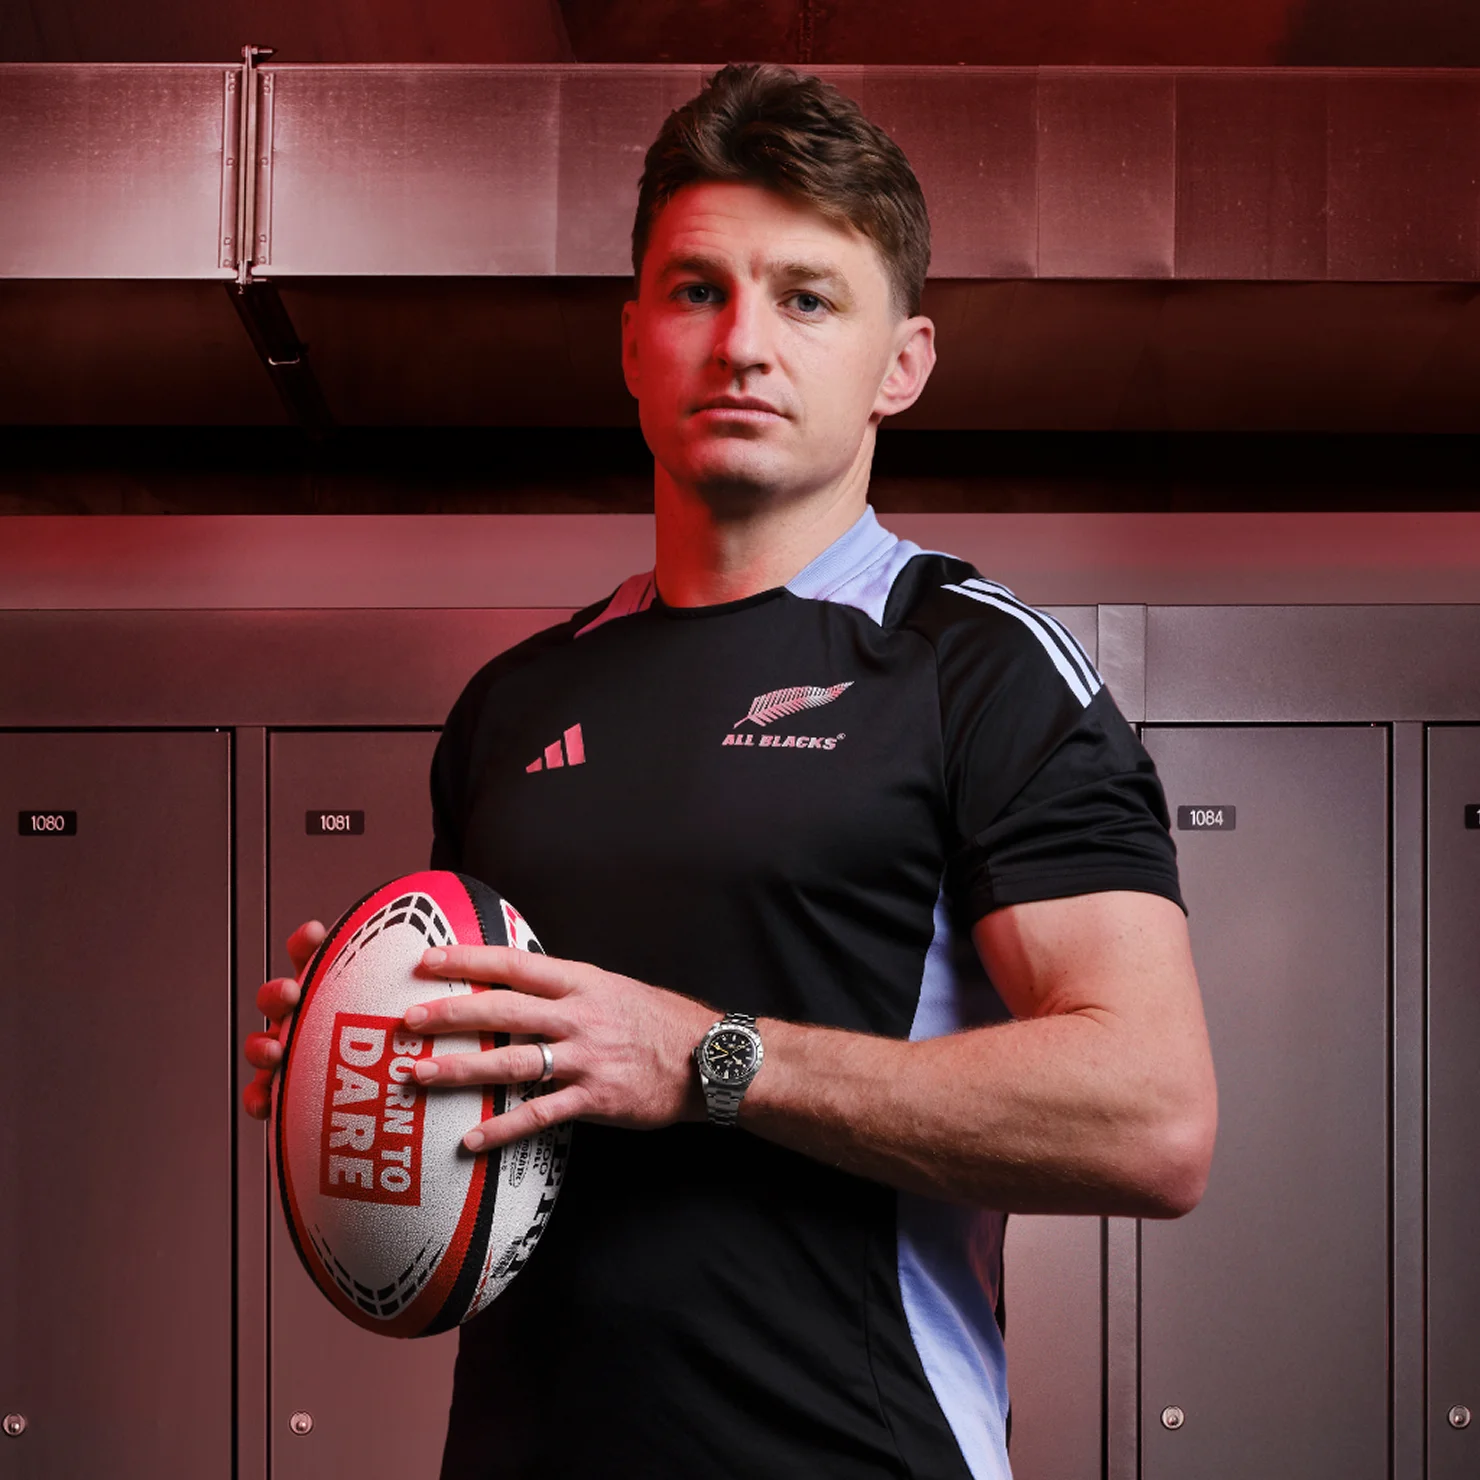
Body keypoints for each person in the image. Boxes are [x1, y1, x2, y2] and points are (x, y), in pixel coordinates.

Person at [244, 62, 1217, 1480]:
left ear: (903, 363)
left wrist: (709, 1061)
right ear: (633, 340)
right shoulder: (514, 702)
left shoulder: (977, 668)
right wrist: (373, 1059)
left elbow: (1154, 1117)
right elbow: (509, 1115)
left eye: (807, 298)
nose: (744, 343)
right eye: (698, 290)